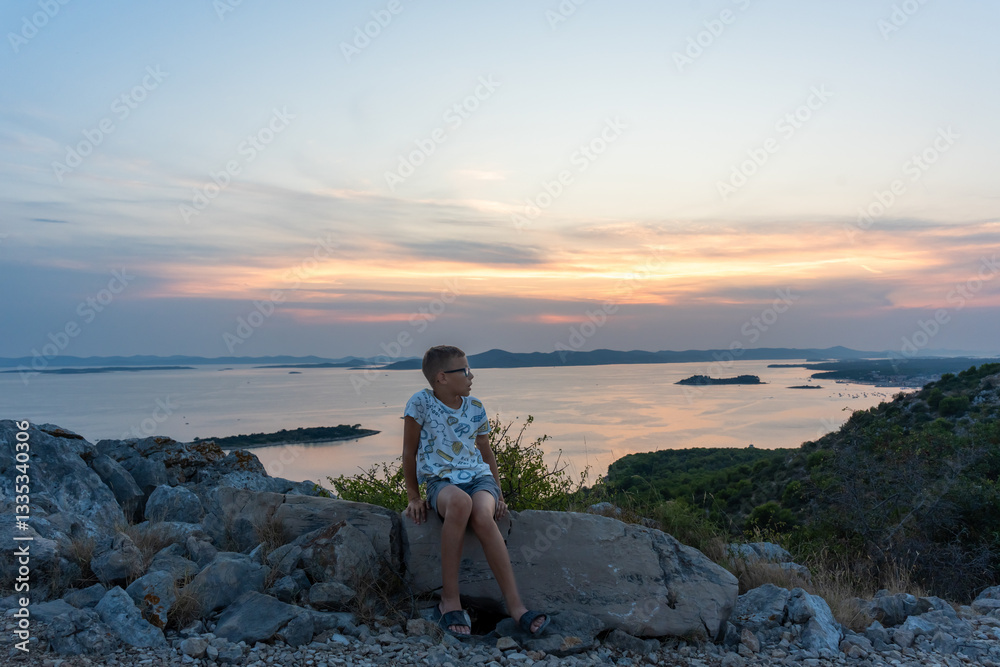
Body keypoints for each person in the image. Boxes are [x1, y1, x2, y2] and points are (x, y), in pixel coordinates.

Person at [402, 345, 550, 639]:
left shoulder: (475, 407)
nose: (472, 376)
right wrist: (413, 496)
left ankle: (516, 607)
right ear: (442, 377)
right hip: (442, 482)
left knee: (482, 513)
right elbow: (409, 451)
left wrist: (499, 494)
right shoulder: (420, 403)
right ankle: (450, 600)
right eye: (465, 371)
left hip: (479, 479)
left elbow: (486, 451)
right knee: (460, 504)